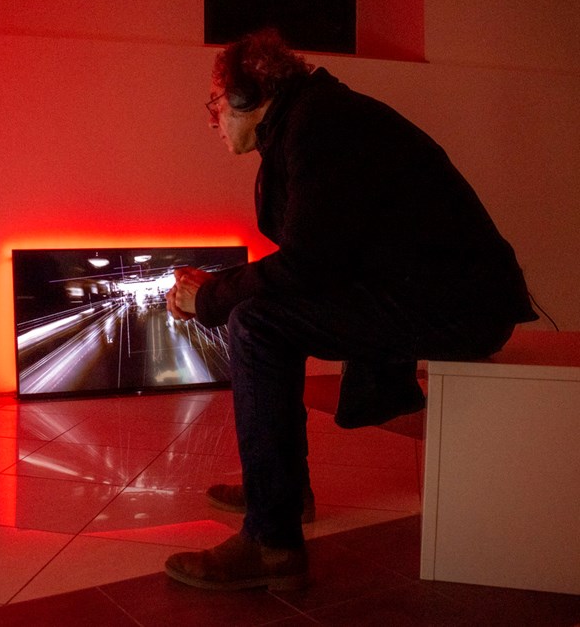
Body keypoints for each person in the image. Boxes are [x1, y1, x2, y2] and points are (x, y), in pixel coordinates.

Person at [163, 29, 537, 591]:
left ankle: (272, 542)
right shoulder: (311, 120)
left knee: (256, 325)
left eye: (216, 103)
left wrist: (213, 297)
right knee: (261, 315)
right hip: (440, 295)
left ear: (249, 95)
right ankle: (282, 493)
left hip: (460, 308)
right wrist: (222, 289)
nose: (213, 119)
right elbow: (318, 256)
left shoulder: (321, 126)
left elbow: (308, 264)